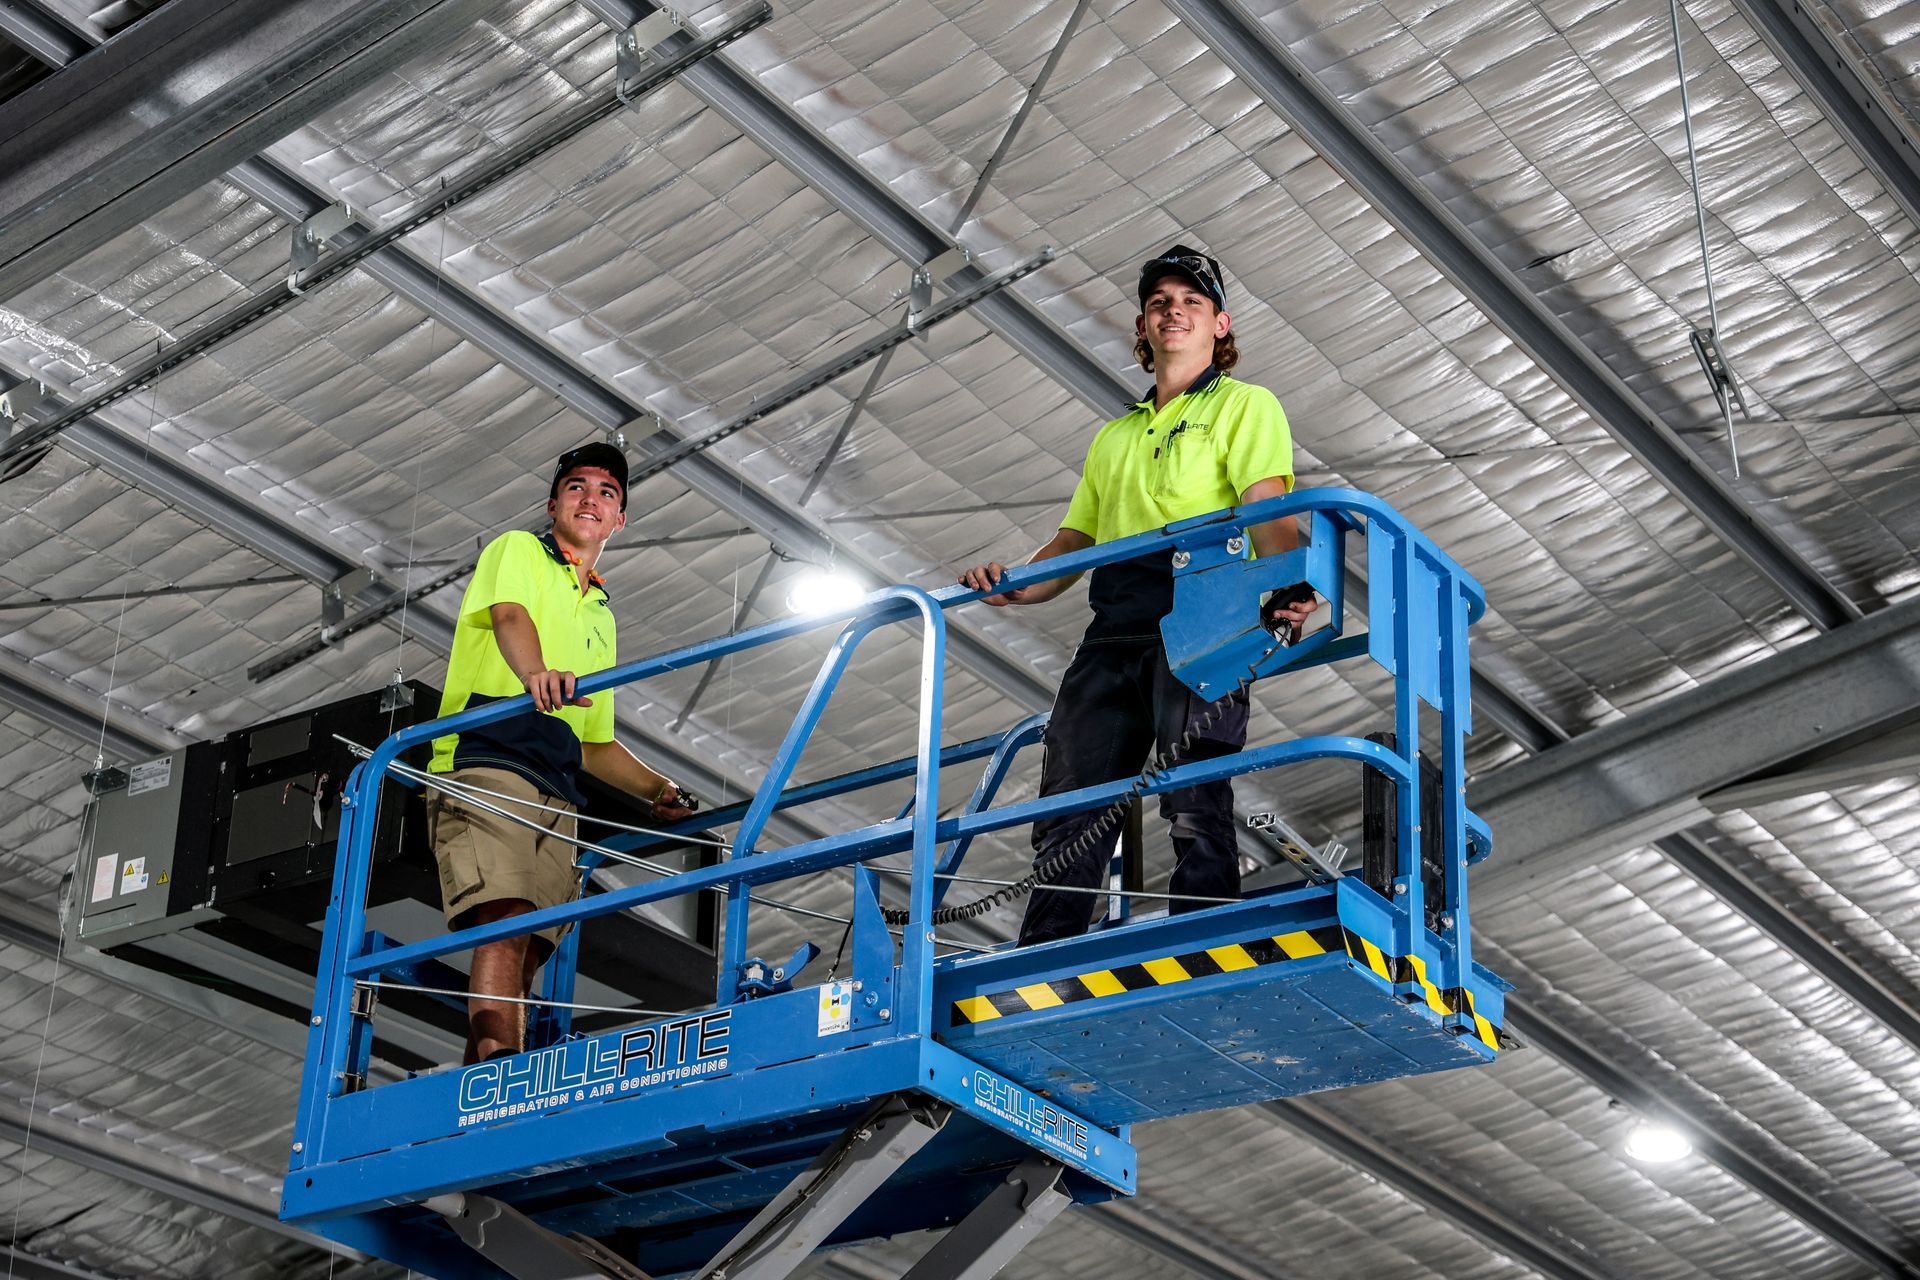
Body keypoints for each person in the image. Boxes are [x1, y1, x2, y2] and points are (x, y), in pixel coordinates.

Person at [958, 245, 1314, 945]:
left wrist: (1289, 588)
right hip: (1115, 618)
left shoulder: (1245, 406)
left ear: (1220, 324)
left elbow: (1268, 507)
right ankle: (1044, 952)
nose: (1173, 311)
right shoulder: (1114, 437)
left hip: (1203, 607)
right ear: (1142, 328)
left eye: (1191, 301)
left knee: (1194, 789)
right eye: (1159, 303)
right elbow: (1071, 544)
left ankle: (1203, 941)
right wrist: (1017, 587)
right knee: (1072, 801)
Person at [427, 442, 695, 1063]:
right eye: (576, 487)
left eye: (607, 493)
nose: (591, 499)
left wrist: (658, 790)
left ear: (620, 520)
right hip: (487, 755)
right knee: (507, 922)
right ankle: (492, 1084)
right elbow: (509, 615)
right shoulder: (518, 550)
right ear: (553, 504)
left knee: (532, 949)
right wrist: (537, 673)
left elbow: (594, 742)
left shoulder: (602, 610)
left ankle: (493, 1083)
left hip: (559, 785)